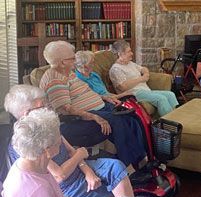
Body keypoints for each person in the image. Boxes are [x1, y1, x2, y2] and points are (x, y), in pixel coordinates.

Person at [4, 85, 162, 197]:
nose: (60, 141)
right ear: (47, 151)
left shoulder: (32, 163)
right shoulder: (37, 189)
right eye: (57, 141)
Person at [39, 40, 147, 168]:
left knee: (132, 114)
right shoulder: (54, 79)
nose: (75, 62)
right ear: (63, 62)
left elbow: (85, 93)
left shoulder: (68, 73)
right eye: (73, 58)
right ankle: (130, 166)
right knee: (119, 120)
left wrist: (104, 97)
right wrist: (94, 117)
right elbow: (66, 109)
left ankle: (142, 157)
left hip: (99, 107)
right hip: (76, 121)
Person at [109, 40, 179, 117]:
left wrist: (146, 74)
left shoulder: (130, 63)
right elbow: (123, 87)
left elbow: (143, 68)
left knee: (170, 94)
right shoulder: (116, 69)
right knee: (161, 99)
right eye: (129, 51)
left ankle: (176, 118)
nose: (132, 53)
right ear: (120, 54)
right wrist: (141, 79)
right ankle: (169, 125)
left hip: (145, 91)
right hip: (134, 94)